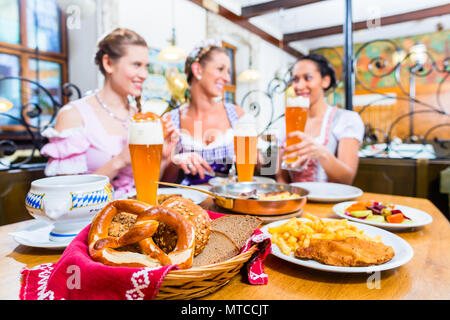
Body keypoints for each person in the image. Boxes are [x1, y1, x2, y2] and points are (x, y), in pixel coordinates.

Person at [40, 28, 178, 198]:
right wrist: (120, 160)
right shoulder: (73, 115)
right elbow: (63, 195)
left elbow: (147, 187)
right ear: (108, 64)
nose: (144, 75)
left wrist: (163, 158)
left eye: (146, 67)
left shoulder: (140, 118)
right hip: (91, 219)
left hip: (135, 213)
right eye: (136, 65)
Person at [161, 39, 257, 185]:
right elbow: (163, 184)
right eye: (220, 69)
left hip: (230, 203)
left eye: (228, 72)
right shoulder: (170, 120)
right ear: (198, 70)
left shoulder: (236, 115)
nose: (227, 78)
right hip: (190, 203)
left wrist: (260, 159)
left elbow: (257, 169)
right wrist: (175, 162)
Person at [276, 53, 364, 185]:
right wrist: (263, 158)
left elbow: (347, 179)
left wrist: (321, 153)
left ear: (325, 81)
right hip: (294, 200)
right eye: (295, 79)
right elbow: (278, 176)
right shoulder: (285, 122)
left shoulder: (346, 119)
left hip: (329, 202)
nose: (299, 86)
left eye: (308, 78)